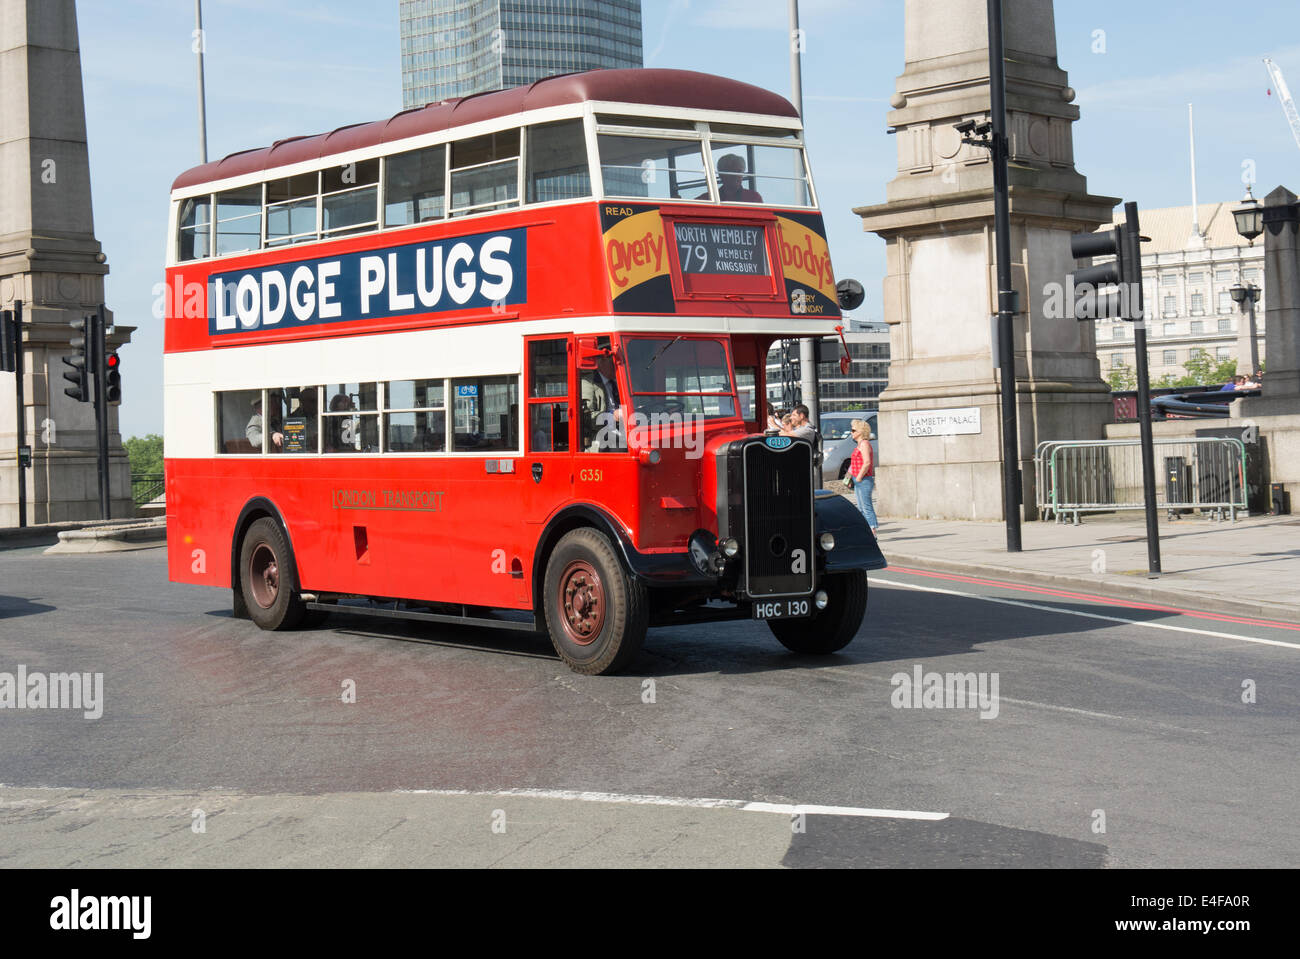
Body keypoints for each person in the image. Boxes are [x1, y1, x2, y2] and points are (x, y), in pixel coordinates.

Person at [580, 346, 624, 452]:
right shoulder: (588, 383)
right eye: (616, 362)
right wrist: (613, 416)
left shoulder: (621, 383)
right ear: (601, 361)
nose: (619, 366)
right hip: (599, 437)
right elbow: (586, 418)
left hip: (624, 432)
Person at [847, 419, 879, 533]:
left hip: (864, 480)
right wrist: (849, 477)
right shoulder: (859, 445)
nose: (851, 432)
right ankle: (866, 530)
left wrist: (859, 477)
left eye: (853, 430)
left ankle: (872, 531)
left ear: (860, 431)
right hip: (858, 479)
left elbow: (867, 462)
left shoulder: (864, 444)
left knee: (866, 507)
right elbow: (854, 464)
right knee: (861, 508)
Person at [698, 153, 763, 203]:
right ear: (721, 175)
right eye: (731, 171)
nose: (735, 175)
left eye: (739, 171)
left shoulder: (753, 198)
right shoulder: (706, 199)